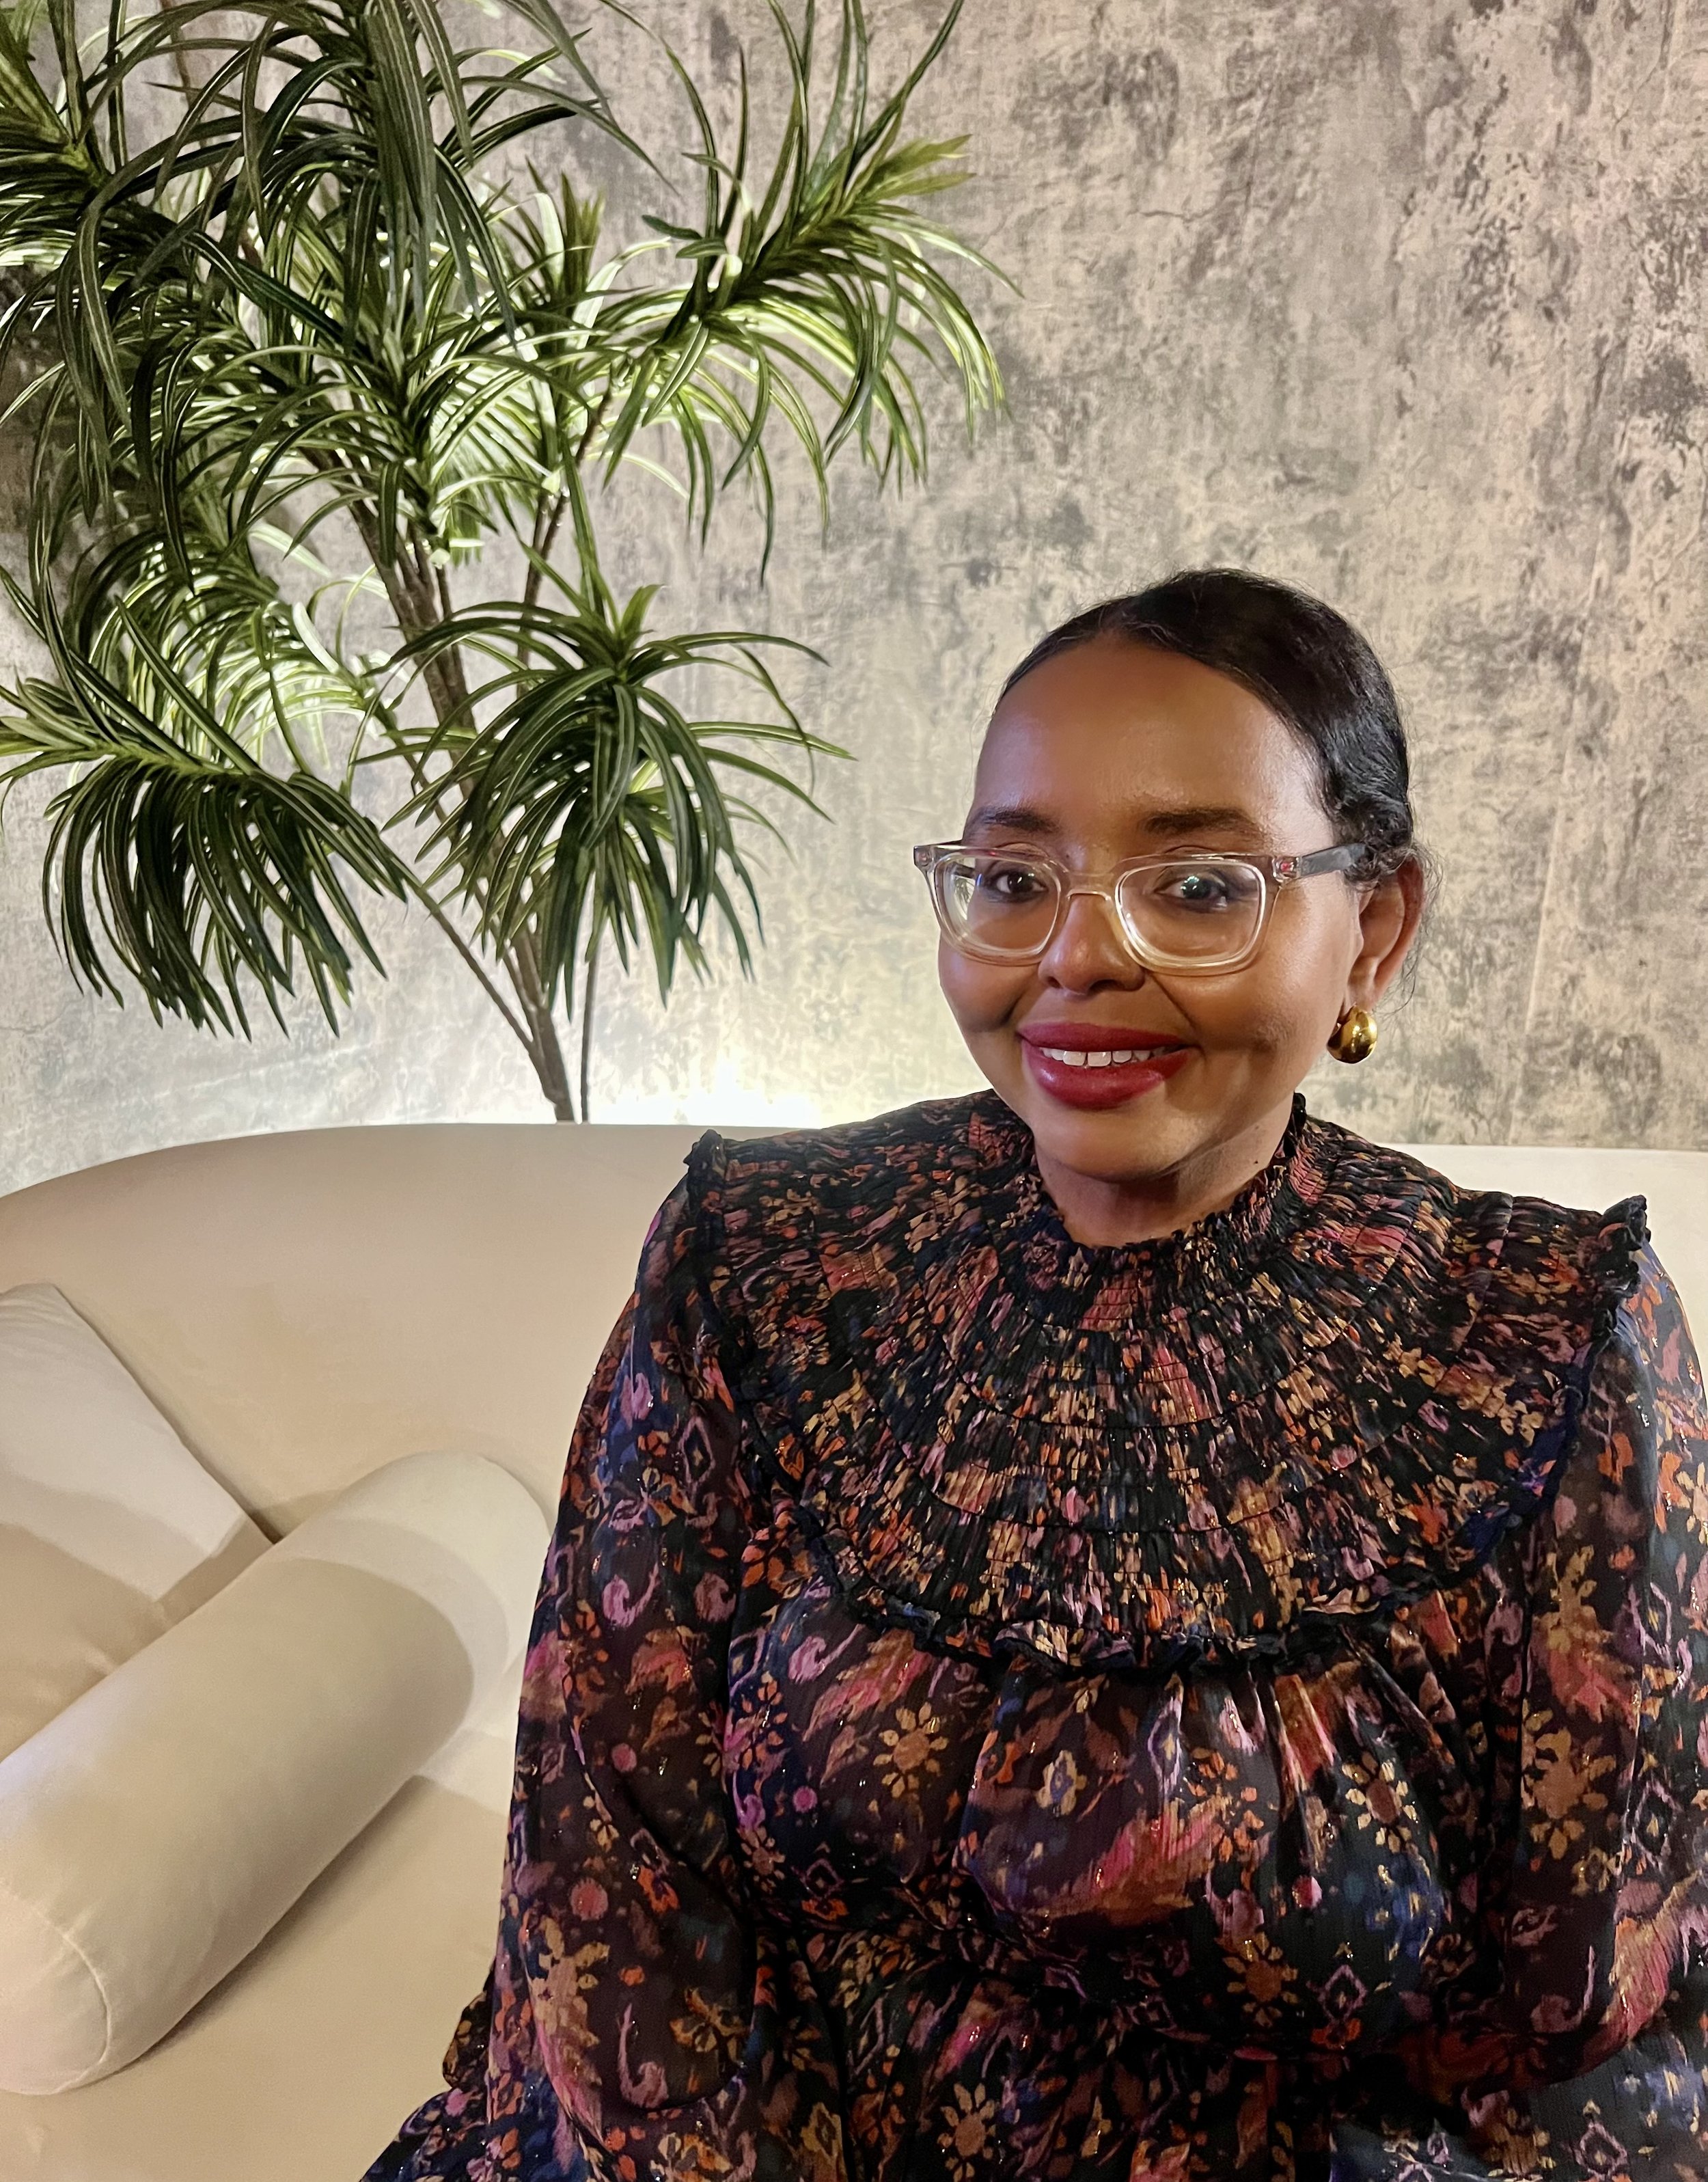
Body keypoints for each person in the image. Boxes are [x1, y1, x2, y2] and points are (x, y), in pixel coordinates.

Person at [368, 569, 1708, 2181]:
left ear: (1374, 926)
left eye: (1198, 885)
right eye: (1013, 876)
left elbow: (1594, 2029)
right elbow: (612, 1878)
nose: (1076, 959)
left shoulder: (1544, 1338)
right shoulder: (763, 1263)